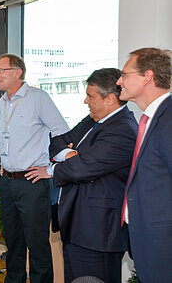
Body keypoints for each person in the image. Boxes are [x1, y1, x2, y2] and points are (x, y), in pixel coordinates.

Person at [48, 68, 137, 283]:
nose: (85, 101)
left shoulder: (123, 129)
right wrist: (72, 154)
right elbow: (57, 141)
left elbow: (80, 169)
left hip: (98, 233)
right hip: (77, 226)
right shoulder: (93, 121)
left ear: (110, 99)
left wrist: (59, 167)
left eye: (91, 96)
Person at [0, 53, 69, 283]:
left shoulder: (38, 98)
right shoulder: (1, 102)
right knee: (13, 242)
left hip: (33, 183)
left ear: (17, 72)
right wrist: (4, 163)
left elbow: (61, 133)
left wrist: (50, 168)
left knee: (37, 244)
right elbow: (3, 136)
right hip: (8, 182)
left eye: (0, 70)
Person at [116, 47, 172, 282]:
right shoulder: (150, 118)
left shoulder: (168, 120)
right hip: (147, 237)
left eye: (125, 75)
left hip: (163, 242)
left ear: (148, 76)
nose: (119, 81)